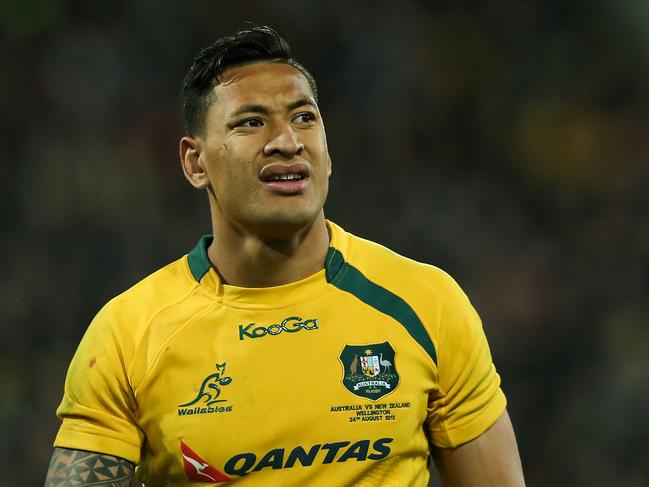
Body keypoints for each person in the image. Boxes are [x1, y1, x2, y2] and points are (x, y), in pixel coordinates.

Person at [46, 26, 525, 487]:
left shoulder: (427, 302)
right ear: (195, 163)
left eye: (304, 117)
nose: (288, 141)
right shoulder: (128, 334)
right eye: (251, 122)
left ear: (327, 151)